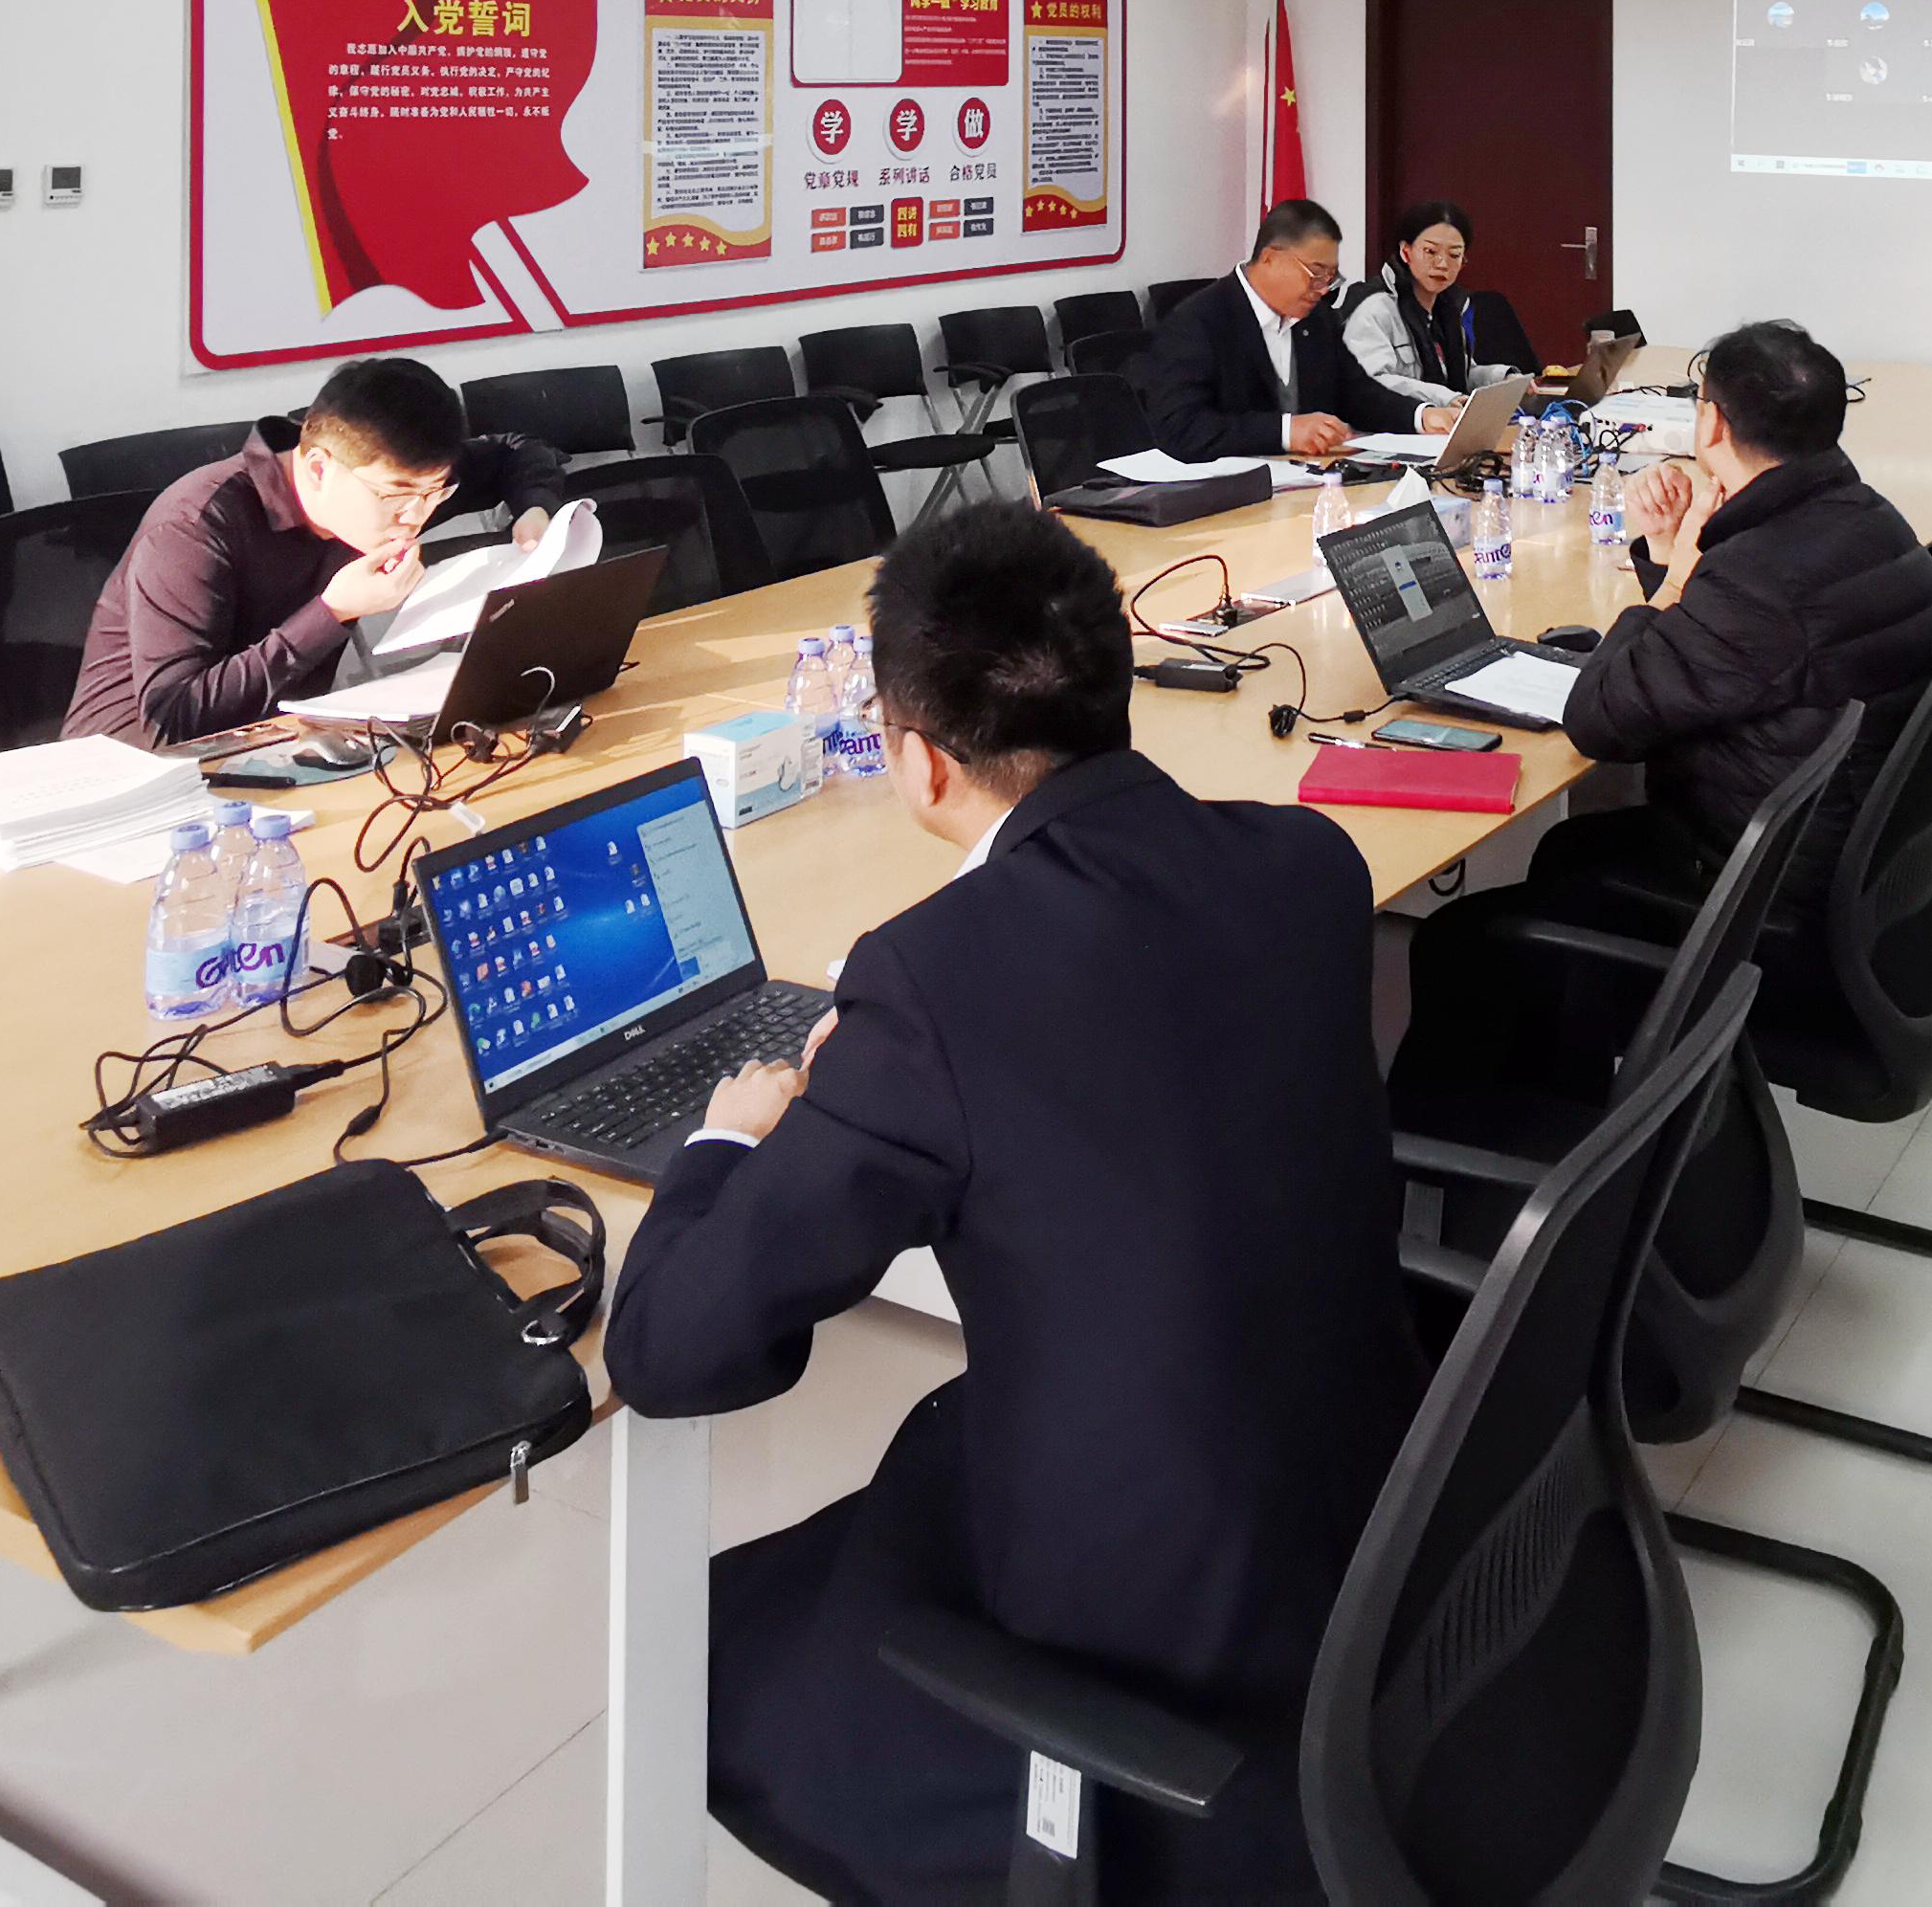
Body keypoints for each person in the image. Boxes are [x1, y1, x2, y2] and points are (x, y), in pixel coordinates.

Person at [601, 501, 1415, 1902]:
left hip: (1160, 1631)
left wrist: (728, 1142)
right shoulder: (1308, 861)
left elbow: (673, 1352)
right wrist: (899, 1086)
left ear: (918, 759)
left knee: (713, 1659)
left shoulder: (930, 980)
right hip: (1373, 1498)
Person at [1536, 316, 1932, 907]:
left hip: (1761, 875)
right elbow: (1724, 652)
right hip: (1858, 844)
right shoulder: (1868, 515)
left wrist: (1676, 580)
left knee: (1480, 920)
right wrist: (1667, 546)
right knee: (1574, 849)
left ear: (1711, 424)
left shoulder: (1758, 580)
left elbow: (1597, 721)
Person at [59, 354, 567, 747]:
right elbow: (173, 718)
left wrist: (533, 509)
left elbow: (517, 451)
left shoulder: (391, 488)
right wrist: (332, 612)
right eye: (396, 495)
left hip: (281, 748)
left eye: (435, 493)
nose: (415, 516)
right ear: (320, 468)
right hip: (130, 775)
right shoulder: (195, 526)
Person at [1136, 198, 1449, 465]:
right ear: (1270, 258)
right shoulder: (1198, 321)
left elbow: (1355, 393)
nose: (1323, 288)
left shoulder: (1316, 318)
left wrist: (1420, 416)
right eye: (1316, 273)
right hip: (1228, 495)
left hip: (1307, 484)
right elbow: (1180, 429)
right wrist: (1286, 431)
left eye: (1330, 277)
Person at [1340, 199, 1526, 409]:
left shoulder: (1449, 311)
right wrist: (1444, 397)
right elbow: (1372, 382)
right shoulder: (1374, 309)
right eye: (1430, 251)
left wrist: (1505, 379)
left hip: (1441, 423)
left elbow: (1461, 375)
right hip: (1391, 426)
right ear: (1406, 252)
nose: (1442, 264)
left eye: (1454, 255)